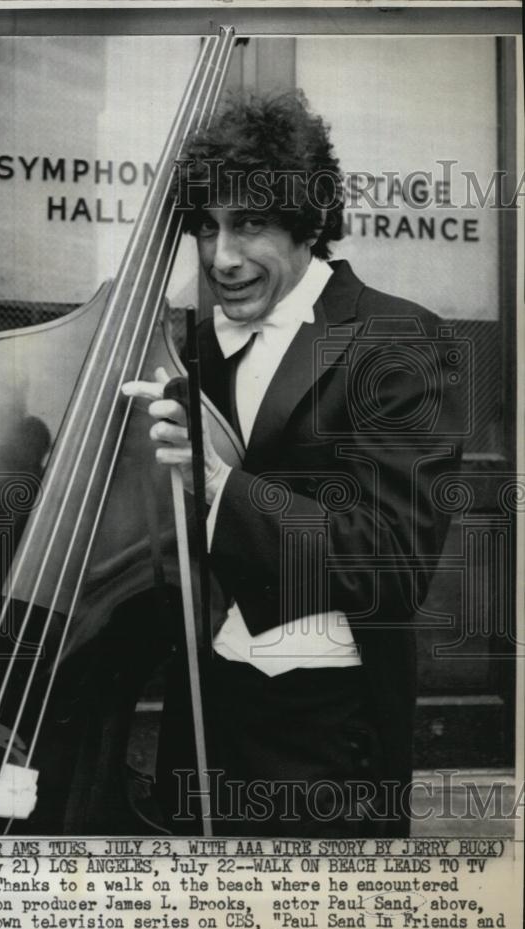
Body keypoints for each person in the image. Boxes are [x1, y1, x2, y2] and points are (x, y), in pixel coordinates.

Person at [122, 92, 463, 837]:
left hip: (326, 736)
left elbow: (393, 563)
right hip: (205, 722)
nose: (222, 257)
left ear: (308, 221)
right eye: (207, 228)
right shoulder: (193, 347)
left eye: (250, 223)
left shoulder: (396, 340)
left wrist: (220, 488)